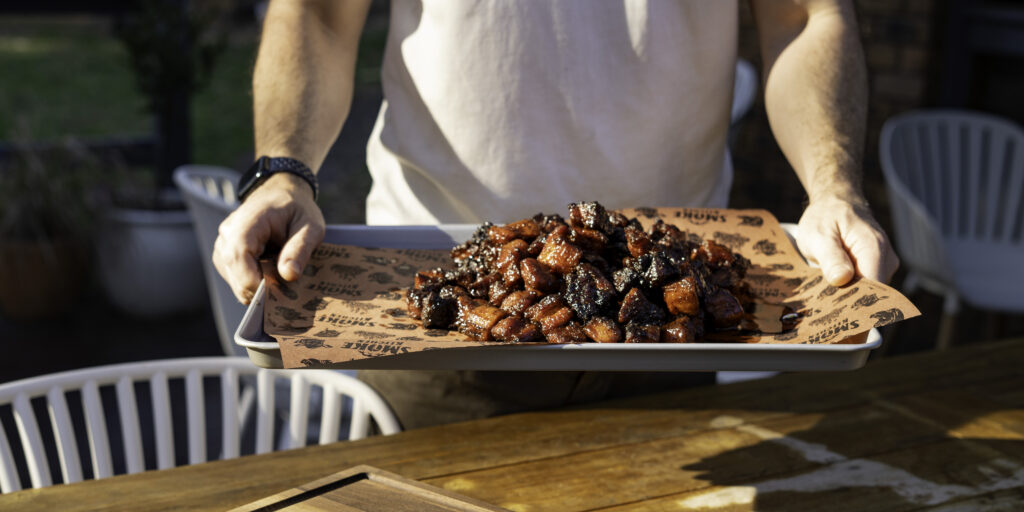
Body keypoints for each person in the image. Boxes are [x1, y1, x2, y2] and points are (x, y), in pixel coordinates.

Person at [214, 0, 900, 429]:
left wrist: (833, 186)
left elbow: (806, 14)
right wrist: (283, 171)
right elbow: (317, 13)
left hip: (673, 333)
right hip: (433, 321)